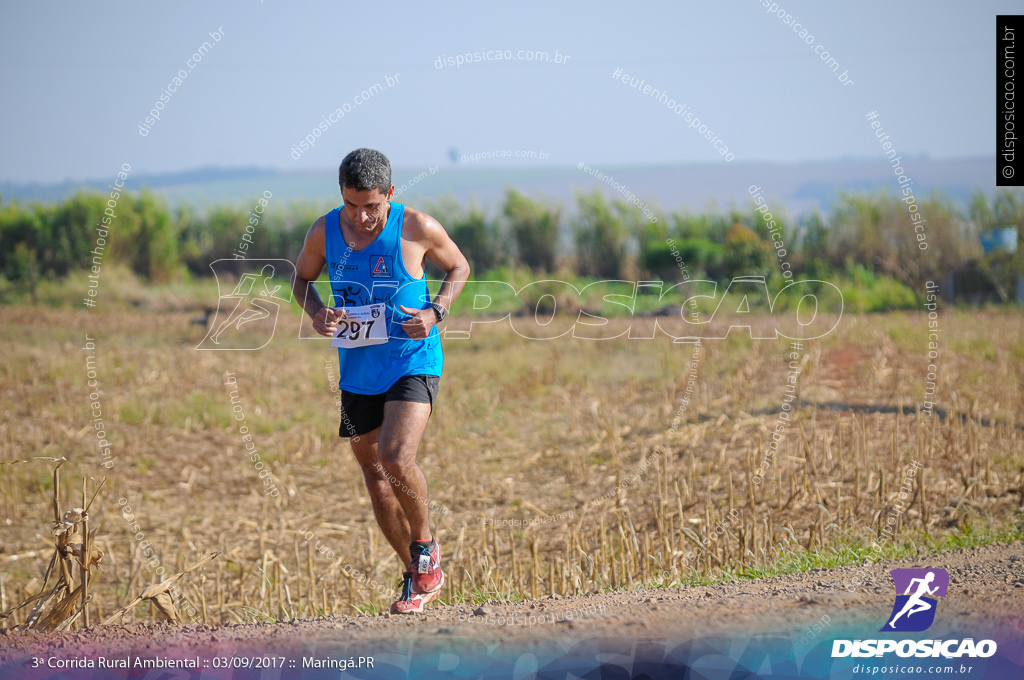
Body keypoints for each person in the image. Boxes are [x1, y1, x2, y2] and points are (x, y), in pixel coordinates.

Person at [290, 148, 470, 614]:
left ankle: (426, 546)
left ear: (390, 193)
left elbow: (459, 266)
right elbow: (301, 280)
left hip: (413, 359)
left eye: (371, 205)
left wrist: (436, 312)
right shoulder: (324, 231)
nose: (361, 215)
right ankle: (416, 574)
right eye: (351, 204)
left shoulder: (416, 227)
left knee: (394, 457)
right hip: (358, 370)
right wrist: (316, 314)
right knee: (374, 477)